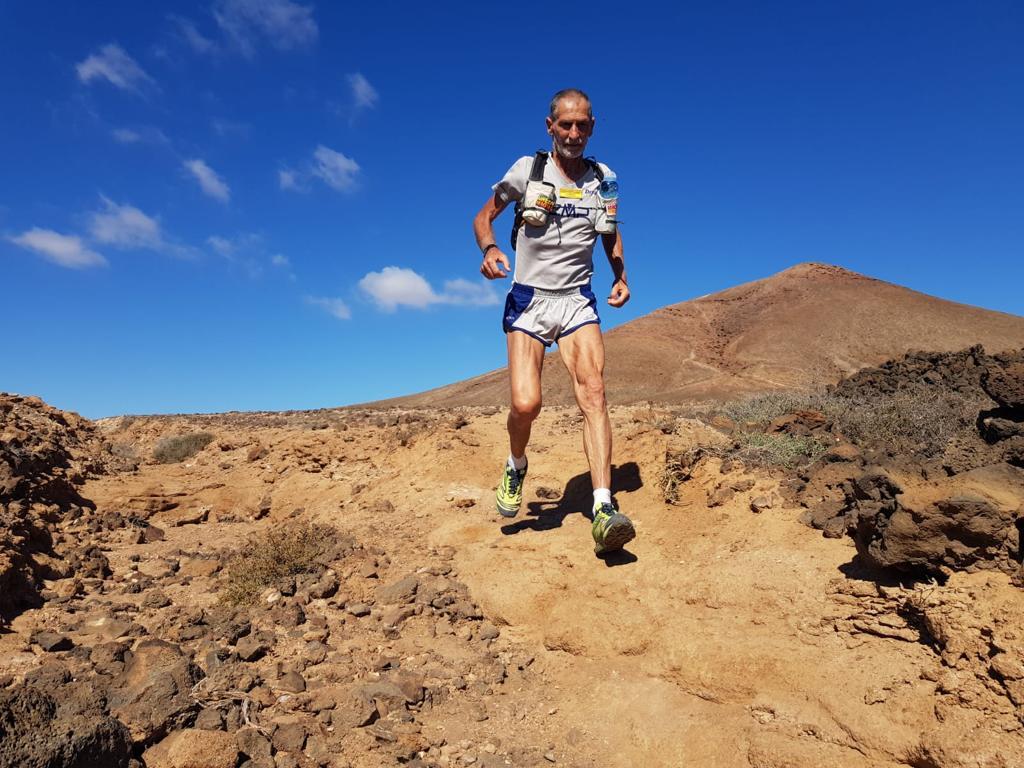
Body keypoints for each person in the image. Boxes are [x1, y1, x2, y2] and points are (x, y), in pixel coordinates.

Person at [472, 87, 636, 555]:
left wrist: (621, 275)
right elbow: (483, 217)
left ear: (592, 126)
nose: (574, 132)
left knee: (595, 392)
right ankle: (516, 463)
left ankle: (603, 507)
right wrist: (489, 249)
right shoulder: (527, 170)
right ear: (550, 127)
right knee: (526, 404)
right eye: (565, 124)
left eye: (582, 124)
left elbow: (610, 234)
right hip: (529, 299)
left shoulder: (605, 180)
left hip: (577, 300)